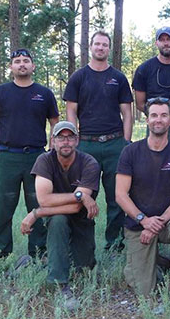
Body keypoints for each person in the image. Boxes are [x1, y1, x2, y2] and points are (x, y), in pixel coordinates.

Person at [0, 48, 59, 259]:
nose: (22, 64)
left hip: (37, 158)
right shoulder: (0, 92)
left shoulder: (44, 94)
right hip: (7, 157)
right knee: (4, 206)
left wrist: (52, 151)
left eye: (26, 61)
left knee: (39, 204)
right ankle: (1, 252)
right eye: (17, 61)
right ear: (11, 67)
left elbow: (55, 123)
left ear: (33, 66)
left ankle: (39, 253)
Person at [115, 97, 170, 296]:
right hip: (138, 224)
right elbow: (120, 194)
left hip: (167, 223)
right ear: (147, 119)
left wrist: (156, 224)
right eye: (153, 115)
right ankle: (157, 263)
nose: (158, 120)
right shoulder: (130, 152)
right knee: (143, 290)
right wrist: (143, 220)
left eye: (163, 115)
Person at [63, 31, 134, 251]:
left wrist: (126, 142)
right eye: (97, 44)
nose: (101, 48)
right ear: (90, 47)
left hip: (115, 143)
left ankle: (115, 244)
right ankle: (83, 245)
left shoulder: (119, 78)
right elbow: (71, 112)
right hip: (86, 143)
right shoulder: (78, 77)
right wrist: (74, 140)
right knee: (84, 195)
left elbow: (127, 113)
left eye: (105, 45)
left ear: (109, 49)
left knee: (117, 197)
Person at [20, 121, 100, 309]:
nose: (66, 142)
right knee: (57, 221)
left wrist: (37, 214)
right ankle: (61, 284)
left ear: (77, 141)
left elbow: (75, 209)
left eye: (70, 137)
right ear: (53, 141)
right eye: (61, 138)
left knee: (84, 269)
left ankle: (34, 264)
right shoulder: (44, 160)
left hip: (82, 218)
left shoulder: (89, 163)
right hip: (56, 216)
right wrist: (79, 196)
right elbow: (44, 200)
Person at [132, 26, 170, 148]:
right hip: (155, 127)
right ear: (156, 43)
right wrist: (159, 117)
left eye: (169, 39)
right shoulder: (144, 69)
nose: (166, 43)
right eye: (162, 40)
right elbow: (140, 104)